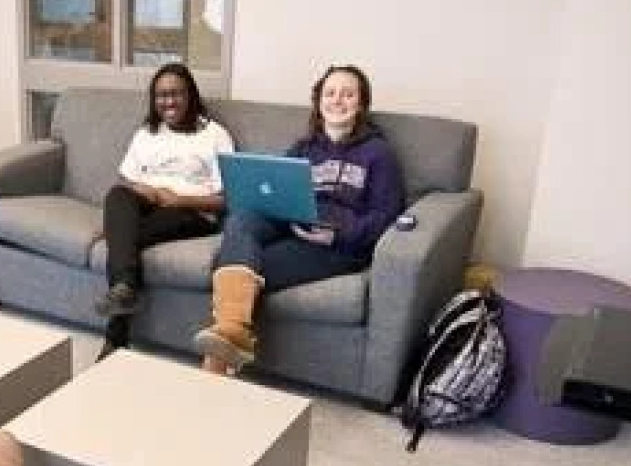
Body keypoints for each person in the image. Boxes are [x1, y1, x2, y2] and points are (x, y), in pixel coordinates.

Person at [192, 64, 406, 375]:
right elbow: (277, 189)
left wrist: (338, 234)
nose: (338, 100)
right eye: (330, 93)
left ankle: (217, 360)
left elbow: (386, 218)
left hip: (337, 246)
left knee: (238, 265)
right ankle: (232, 334)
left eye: (348, 94)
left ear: (361, 104)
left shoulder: (379, 154)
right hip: (293, 224)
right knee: (240, 220)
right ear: (319, 101)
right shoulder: (304, 147)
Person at [94, 62, 235, 360]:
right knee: (118, 195)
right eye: (161, 95)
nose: (168, 101)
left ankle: (115, 338)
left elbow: (227, 198)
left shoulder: (215, 135)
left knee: (122, 240)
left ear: (190, 95)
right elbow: (125, 179)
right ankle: (125, 287)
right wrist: (143, 189)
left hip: (193, 212)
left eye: (176, 94)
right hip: (147, 204)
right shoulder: (146, 133)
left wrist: (179, 199)